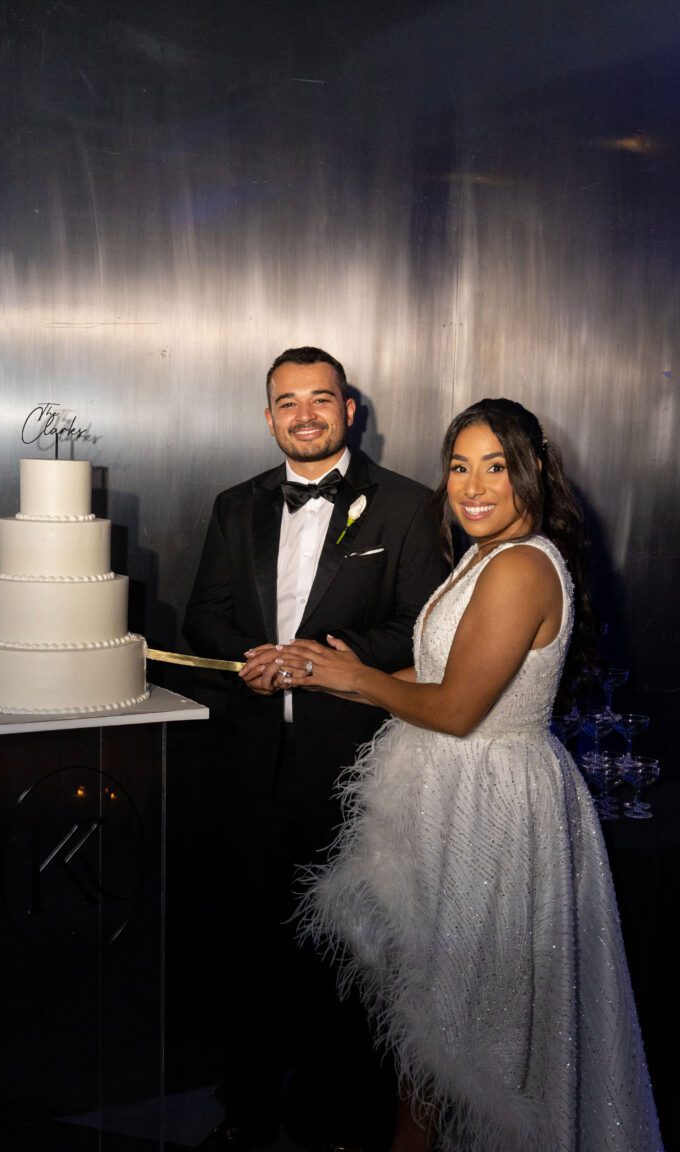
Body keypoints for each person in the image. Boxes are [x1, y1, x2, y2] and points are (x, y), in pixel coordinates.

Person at [273, 398, 664, 1152]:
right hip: (456, 794)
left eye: (495, 467)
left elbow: (455, 709)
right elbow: (438, 674)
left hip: (494, 806)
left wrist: (355, 680)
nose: (473, 487)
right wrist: (327, 671)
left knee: (473, 1018)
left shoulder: (521, 565)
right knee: (435, 1015)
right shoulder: (486, 555)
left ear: (532, 473)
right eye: (459, 467)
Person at [183, 347, 446, 1151]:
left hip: (358, 767)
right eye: (288, 402)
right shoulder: (236, 505)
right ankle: (246, 1111)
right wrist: (250, 661)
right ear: (269, 417)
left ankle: (340, 1118)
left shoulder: (408, 506)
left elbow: (420, 628)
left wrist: (324, 658)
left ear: (349, 410)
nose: (305, 415)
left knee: (353, 955)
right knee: (247, 948)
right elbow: (203, 617)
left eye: (320, 399)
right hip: (249, 766)